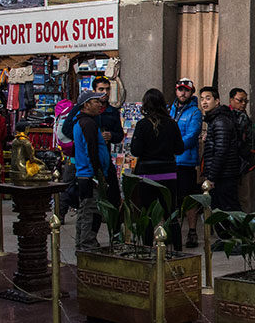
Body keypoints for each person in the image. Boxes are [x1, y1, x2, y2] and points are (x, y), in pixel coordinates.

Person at [62, 75, 124, 226]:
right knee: (76, 194)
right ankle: (62, 214)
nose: (104, 93)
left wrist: (111, 135)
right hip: (85, 161)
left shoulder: (112, 112)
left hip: (102, 159)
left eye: (107, 89)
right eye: (100, 90)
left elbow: (119, 134)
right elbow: (69, 130)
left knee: (109, 192)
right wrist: (85, 138)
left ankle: (109, 219)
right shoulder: (83, 115)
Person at [130, 88, 184, 249]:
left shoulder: (142, 125)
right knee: (171, 213)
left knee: (147, 213)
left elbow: (135, 150)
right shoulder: (172, 124)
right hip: (168, 174)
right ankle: (178, 248)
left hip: (147, 175)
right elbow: (179, 148)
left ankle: (147, 247)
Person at [72, 89, 112, 250]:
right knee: (89, 210)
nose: (99, 105)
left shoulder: (84, 122)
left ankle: (82, 241)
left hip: (86, 174)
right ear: (86, 104)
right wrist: (97, 174)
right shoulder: (86, 123)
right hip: (88, 175)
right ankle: (86, 244)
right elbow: (91, 150)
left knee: (86, 209)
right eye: (96, 102)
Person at [169, 77, 203, 248]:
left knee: (189, 198)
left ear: (191, 92)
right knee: (172, 198)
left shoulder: (195, 112)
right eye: (180, 89)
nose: (183, 93)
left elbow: (191, 135)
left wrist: (175, 146)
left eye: (186, 90)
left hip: (186, 161)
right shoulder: (171, 110)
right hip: (171, 161)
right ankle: (172, 229)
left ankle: (192, 231)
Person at [200, 85, 242, 213]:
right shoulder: (215, 120)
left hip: (224, 176)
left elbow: (221, 151)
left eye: (208, 98)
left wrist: (211, 177)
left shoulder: (220, 121)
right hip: (221, 174)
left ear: (217, 101)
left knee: (226, 213)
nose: (204, 102)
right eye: (202, 99)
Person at [228, 87, 255, 212]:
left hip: (245, 164)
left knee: (244, 197)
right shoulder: (226, 117)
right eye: (240, 100)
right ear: (231, 100)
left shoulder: (246, 119)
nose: (243, 104)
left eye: (246, 101)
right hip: (229, 164)